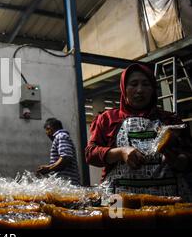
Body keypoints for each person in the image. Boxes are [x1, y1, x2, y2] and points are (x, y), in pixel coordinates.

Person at [85, 63, 192, 199]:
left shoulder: (170, 120)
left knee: (171, 220)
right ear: (124, 88)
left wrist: (178, 160)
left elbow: (189, 155)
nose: (140, 90)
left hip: (168, 200)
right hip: (117, 200)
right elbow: (90, 154)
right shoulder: (107, 119)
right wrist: (120, 152)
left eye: (146, 84)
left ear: (153, 89)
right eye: (133, 84)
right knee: (116, 219)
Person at [37, 118, 81, 185]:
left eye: (46, 131)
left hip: (68, 185)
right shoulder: (62, 137)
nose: (47, 134)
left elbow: (65, 158)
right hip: (66, 185)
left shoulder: (61, 136)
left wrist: (48, 169)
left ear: (49, 128)